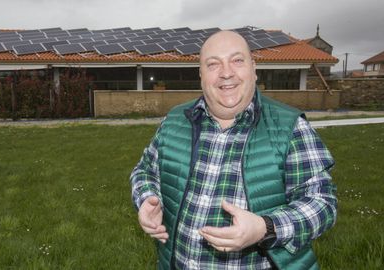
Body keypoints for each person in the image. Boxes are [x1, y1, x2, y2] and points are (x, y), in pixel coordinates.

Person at [130, 30, 337, 270]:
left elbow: (323, 202)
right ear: (201, 75)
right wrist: (146, 199)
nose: (226, 73)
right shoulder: (175, 120)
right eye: (213, 64)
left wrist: (266, 228)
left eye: (237, 60)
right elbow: (144, 170)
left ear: (254, 68)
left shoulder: (289, 127)